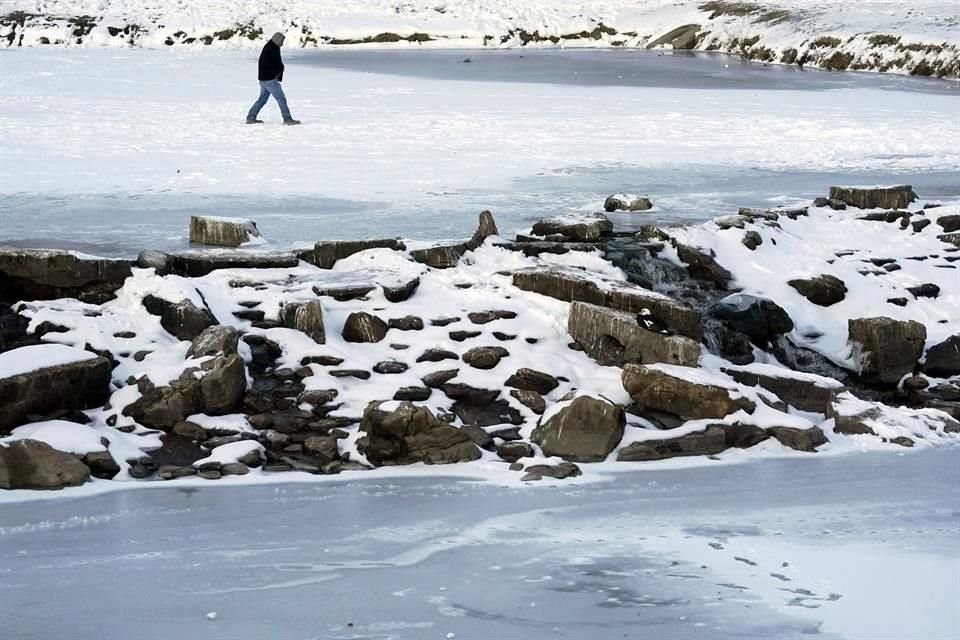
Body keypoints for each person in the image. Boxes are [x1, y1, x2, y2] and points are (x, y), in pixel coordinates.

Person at [246, 32, 301, 125]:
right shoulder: (270, 49)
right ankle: (287, 119)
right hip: (269, 80)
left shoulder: (272, 47)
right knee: (281, 99)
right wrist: (275, 73)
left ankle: (251, 117)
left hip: (264, 80)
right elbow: (266, 65)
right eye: (282, 41)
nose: (282, 43)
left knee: (262, 99)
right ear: (277, 40)